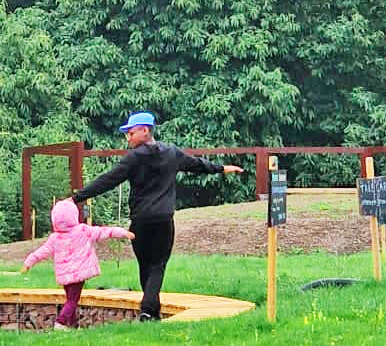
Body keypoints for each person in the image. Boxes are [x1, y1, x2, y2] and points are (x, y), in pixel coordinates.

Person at [72, 111, 244, 321]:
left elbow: (108, 180)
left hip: (140, 222)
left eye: (130, 133)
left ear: (145, 131)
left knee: (147, 265)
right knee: (156, 266)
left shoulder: (133, 159)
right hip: (163, 220)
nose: (128, 138)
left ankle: (149, 311)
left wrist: (77, 197)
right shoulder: (171, 153)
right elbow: (197, 165)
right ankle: (149, 311)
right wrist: (222, 168)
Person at [21, 197, 134, 329]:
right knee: (72, 300)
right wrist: (123, 232)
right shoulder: (83, 231)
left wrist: (28, 263)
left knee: (70, 299)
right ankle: (61, 322)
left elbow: (42, 252)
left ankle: (72, 326)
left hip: (65, 276)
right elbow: (103, 231)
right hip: (79, 274)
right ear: (74, 215)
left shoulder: (55, 238)